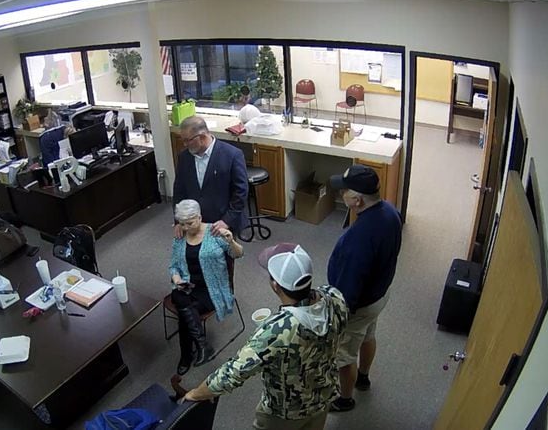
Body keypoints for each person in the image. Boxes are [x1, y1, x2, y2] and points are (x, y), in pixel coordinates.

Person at [184, 243, 348, 430]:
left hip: (286, 413)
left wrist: (196, 394)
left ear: (275, 285)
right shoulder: (334, 296)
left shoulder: (276, 331)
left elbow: (231, 374)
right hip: (323, 396)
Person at [326, 164, 403, 412]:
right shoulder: (390, 212)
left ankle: (346, 399)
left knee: (344, 355)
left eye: (344, 192)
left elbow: (348, 291)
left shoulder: (358, 238)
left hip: (357, 307)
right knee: (369, 335)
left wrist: (336, 316)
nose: (341, 195)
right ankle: (364, 377)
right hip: (379, 295)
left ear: (357, 200)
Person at [169, 199, 243, 375]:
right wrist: (177, 278)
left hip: (213, 289)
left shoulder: (215, 232)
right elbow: (173, 266)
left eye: (190, 223)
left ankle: (187, 354)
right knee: (180, 296)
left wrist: (231, 241)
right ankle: (202, 346)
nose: (186, 227)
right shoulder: (180, 237)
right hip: (188, 285)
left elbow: (238, 254)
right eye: (182, 224)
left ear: (200, 217)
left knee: (183, 309)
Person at [172, 116, 248, 238]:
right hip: (193, 224)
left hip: (221, 224)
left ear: (201, 137)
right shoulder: (184, 157)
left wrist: (227, 221)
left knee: (223, 256)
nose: (185, 144)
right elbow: (179, 190)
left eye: (188, 140)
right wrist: (178, 220)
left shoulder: (232, 155)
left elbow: (240, 192)